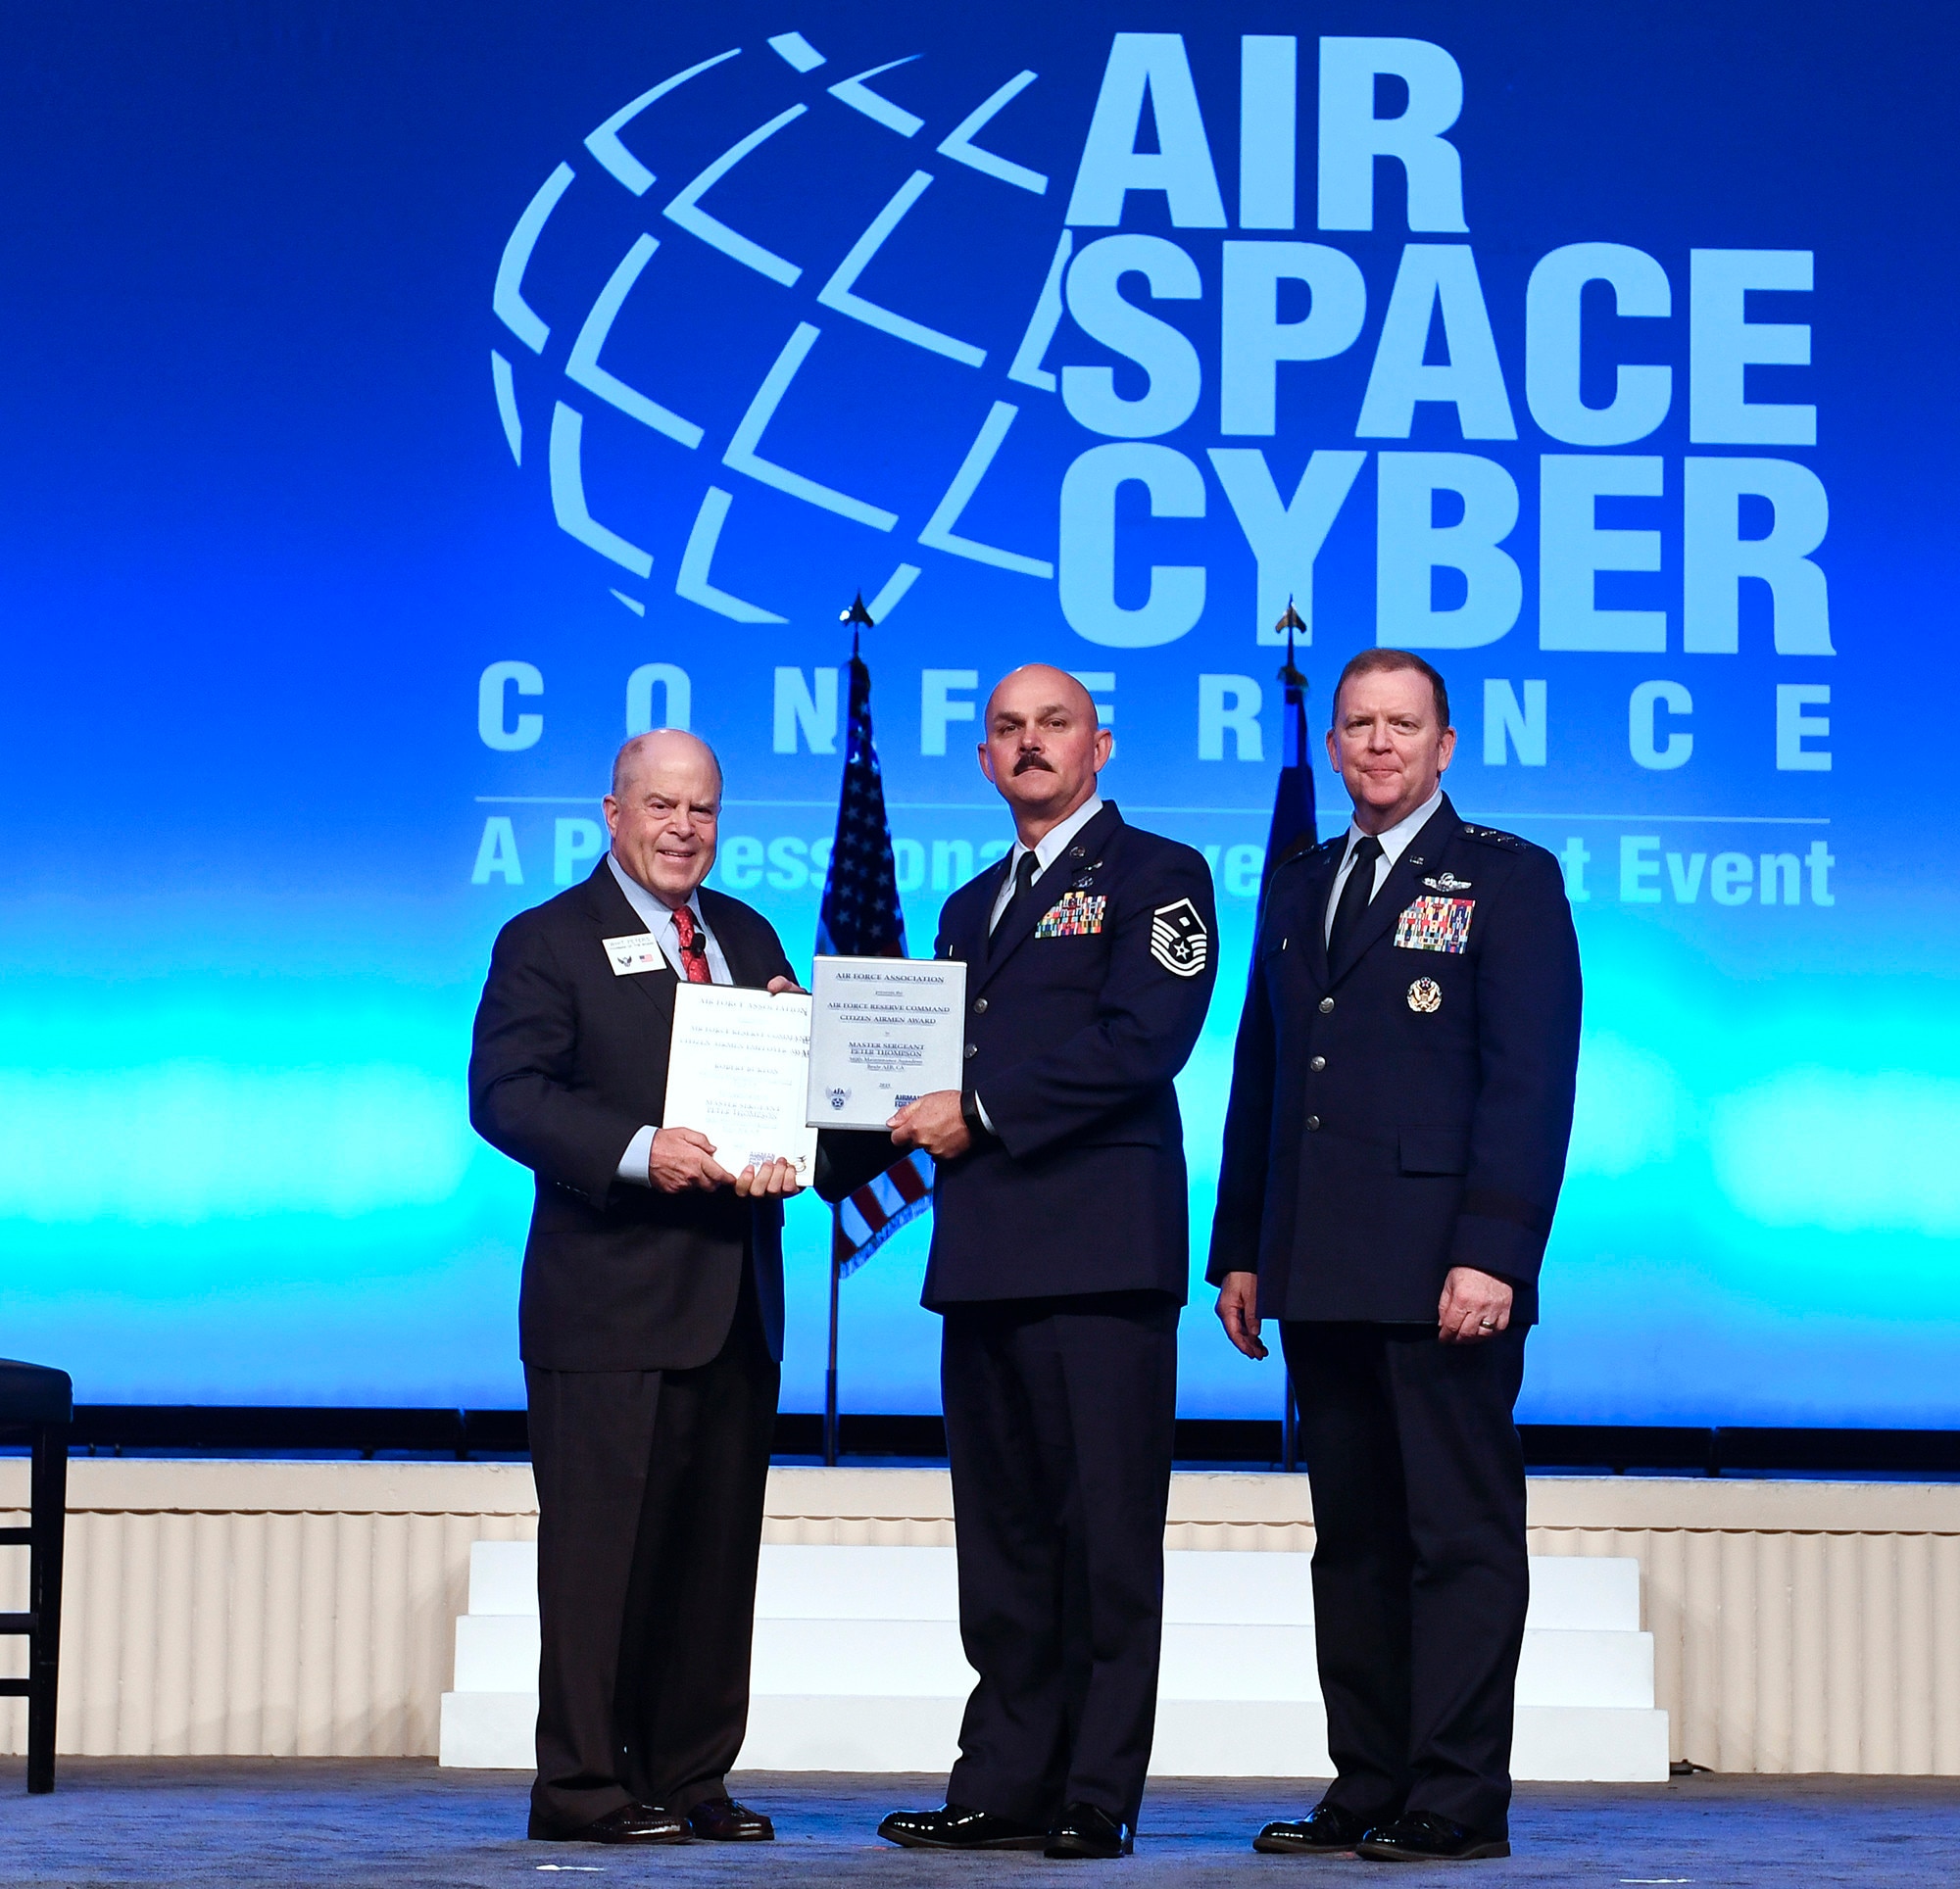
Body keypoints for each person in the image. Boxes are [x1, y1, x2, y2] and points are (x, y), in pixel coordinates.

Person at [1208, 650, 1582, 1865]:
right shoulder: (1299, 881)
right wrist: (1241, 1248)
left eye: (1400, 724)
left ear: (1443, 743)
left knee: (1456, 1539)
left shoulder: (1503, 880)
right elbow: (1265, 1074)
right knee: (1356, 1541)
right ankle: (1365, 1781)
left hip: (1443, 1275)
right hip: (1318, 1265)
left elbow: (1527, 1087)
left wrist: (1493, 1253)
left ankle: (1455, 1795)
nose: (1376, 743)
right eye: (1358, 723)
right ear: (1335, 742)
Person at [873, 666, 1218, 1861]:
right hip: (983, 1256)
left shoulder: (1160, 876)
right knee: (1005, 1542)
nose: (1030, 745)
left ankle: (1094, 1789)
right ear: (983, 760)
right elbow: (908, 1068)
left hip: (1100, 1255)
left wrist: (975, 1105)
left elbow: (1143, 1040)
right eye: (1007, 730)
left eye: (1053, 725)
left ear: (1099, 747)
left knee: (1105, 1538)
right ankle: (1002, 1781)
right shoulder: (969, 906)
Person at [469, 730, 834, 1847]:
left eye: (704, 810)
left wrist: (792, 1130)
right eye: (661, 805)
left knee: (712, 1560)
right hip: (607, 1305)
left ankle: (689, 1777)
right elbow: (507, 1095)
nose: (684, 828)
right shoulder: (547, 939)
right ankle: (582, 1785)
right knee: (598, 1561)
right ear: (612, 812)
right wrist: (638, 1146)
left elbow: (787, 1096)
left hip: (733, 1301)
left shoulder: (748, 934)